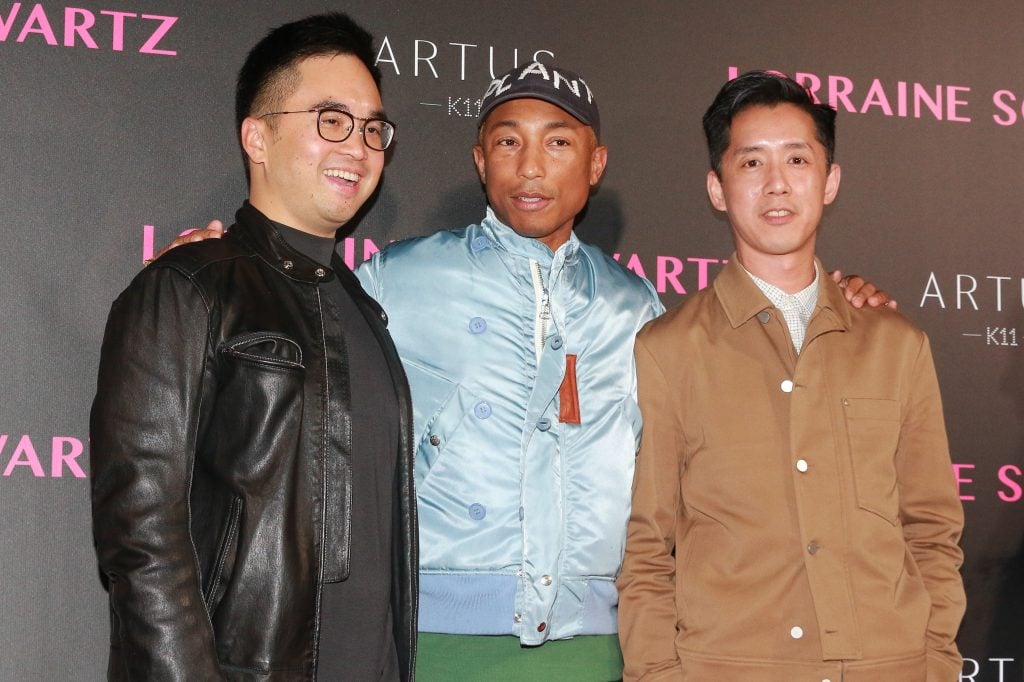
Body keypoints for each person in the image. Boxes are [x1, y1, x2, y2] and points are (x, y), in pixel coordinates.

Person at [160, 63, 892, 681]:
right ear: (480, 161)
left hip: (601, 644)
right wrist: (217, 277)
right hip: (436, 636)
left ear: (594, 164)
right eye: (508, 142)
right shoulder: (395, 281)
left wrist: (837, 298)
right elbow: (286, 346)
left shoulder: (637, 307)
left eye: (558, 143)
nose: (532, 166)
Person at [89, 13, 416, 681]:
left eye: (372, 128)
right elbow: (141, 537)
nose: (357, 145)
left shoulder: (364, 310)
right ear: (256, 137)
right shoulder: (187, 286)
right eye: (331, 119)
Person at [616, 71, 965, 682]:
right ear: (717, 188)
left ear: (829, 181)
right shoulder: (668, 349)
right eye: (751, 162)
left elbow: (932, 531)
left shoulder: (898, 345)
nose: (777, 183)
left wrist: (934, 662)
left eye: (798, 159)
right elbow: (646, 551)